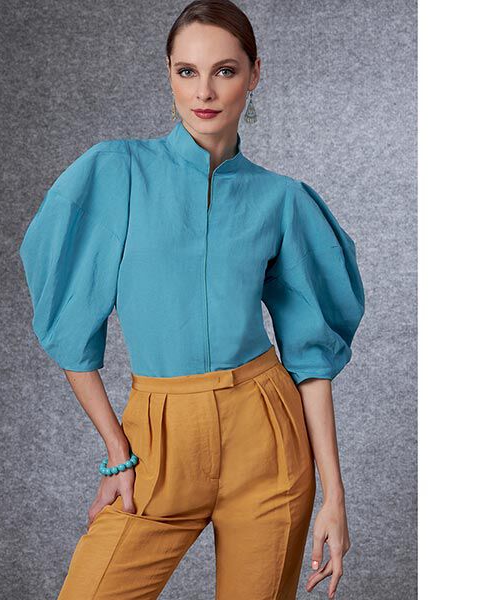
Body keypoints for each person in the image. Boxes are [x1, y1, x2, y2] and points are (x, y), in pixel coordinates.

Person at [19, 1, 365, 598]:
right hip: (158, 438)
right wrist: (117, 450)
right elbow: (69, 328)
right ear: (169, 74)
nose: (204, 91)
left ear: (254, 74)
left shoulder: (281, 199)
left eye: (225, 71)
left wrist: (334, 496)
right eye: (187, 71)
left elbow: (311, 359)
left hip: (266, 438)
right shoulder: (117, 172)